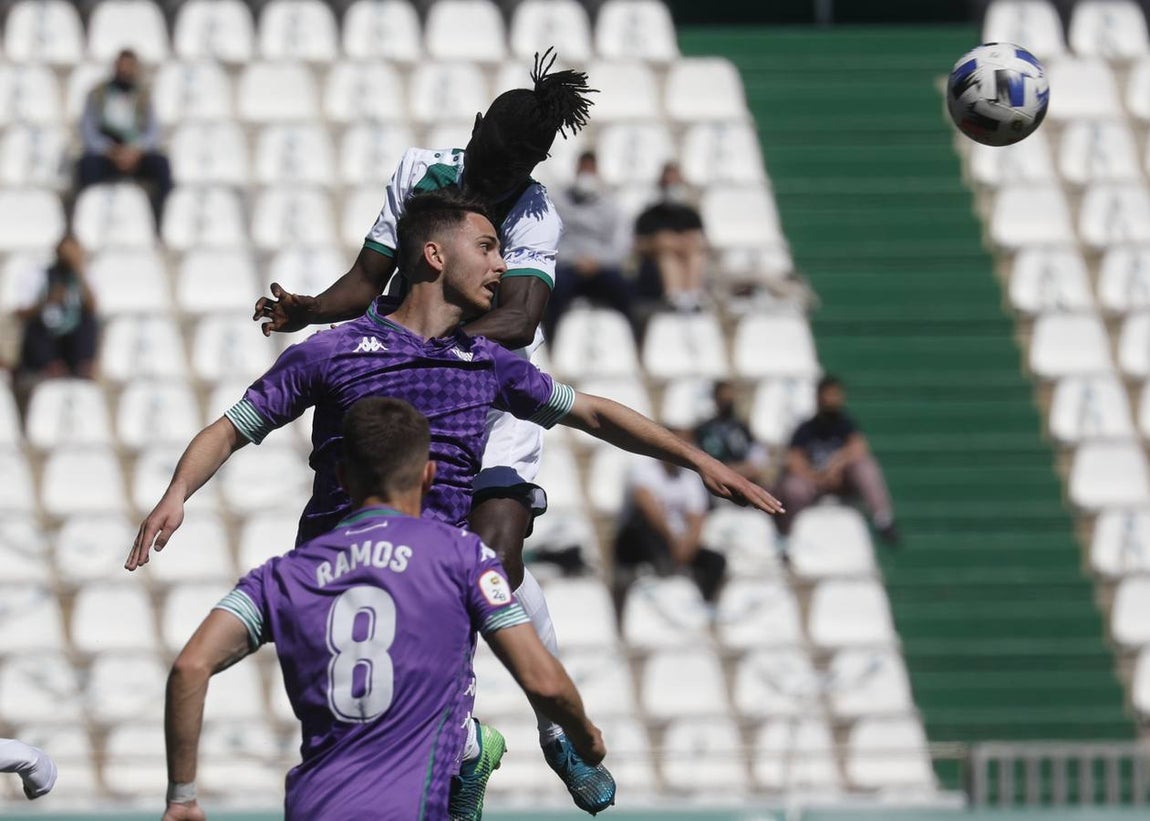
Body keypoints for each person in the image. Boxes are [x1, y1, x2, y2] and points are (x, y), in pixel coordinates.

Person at [128, 189, 783, 814]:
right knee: (357, 756)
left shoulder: (484, 361)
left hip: (430, 588)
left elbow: (594, 413)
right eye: (488, 246)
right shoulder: (332, 351)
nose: (503, 265)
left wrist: (698, 460)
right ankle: (471, 747)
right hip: (328, 578)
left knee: (399, 764)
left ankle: (469, 749)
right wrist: (176, 493)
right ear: (435, 256)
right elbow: (234, 426)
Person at [250, 50, 613, 811]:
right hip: (411, 386)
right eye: (489, 167)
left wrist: (431, 320)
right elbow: (364, 280)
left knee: (494, 563)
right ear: (473, 130)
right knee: (422, 571)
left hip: (487, 390)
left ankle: (552, 732)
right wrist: (308, 309)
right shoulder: (421, 170)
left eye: (511, 177)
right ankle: (464, 744)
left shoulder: (537, 210)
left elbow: (518, 319)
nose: (494, 187)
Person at [160, 397, 605, 821]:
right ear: (429, 476)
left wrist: (183, 796)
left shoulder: (284, 575)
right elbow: (543, 681)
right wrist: (583, 734)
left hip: (315, 807)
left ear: (342, 478)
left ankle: (468, 744)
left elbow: (189, 667)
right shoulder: (461, 559)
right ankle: (465, 744)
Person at [776, 376, 899, 545]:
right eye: (830, 395)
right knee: (792, 487)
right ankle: (786, 537)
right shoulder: (806, 429)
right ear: (819, 397)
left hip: (841, 481)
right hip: (813, 483)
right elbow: (793, 461)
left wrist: (836, 466)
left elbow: (859, 448)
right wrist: (817, 477)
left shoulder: (845, 424)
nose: (833, 400)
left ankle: (883, 519)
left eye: (836, 395)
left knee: (866, 467)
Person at [613, 429, 727, 607]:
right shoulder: (642, 469)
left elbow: (697, 518)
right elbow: (647, 507)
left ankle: (704, 606)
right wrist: (672, 540)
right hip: (645, 538)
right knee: (642, 530)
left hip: (677, 542)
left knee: (715, 561)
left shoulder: (690, 477)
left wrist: (686, 546)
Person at [544, 150, 635, 341]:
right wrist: (572, 260)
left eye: (590, 169)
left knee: (625, 290)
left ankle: (633, 340)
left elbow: (620, 247)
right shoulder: (557, 202)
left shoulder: (613, 205)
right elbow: (548, 239)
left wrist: (597, 261)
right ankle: (551, 342)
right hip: (568, 266)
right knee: (552, 291)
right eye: (582, 168)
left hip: (601, 267)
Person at [76, 49, 173, 225]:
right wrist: (109, 150)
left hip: (136, 154)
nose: (125, 70)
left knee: (161, 164)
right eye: (122, 66)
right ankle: (89, 219)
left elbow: (153, 131)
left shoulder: (144, 95)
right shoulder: (97, 94)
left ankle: (162, 219)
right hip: (106, 154)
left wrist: (136, 151)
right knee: (86, 165)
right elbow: (88, 131)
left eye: (130, 66)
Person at [14, 234, 98, 383]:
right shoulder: (38, 274)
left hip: (72, 335)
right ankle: (51, 366)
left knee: (88, 322)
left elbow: (92, 306)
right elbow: (21, 313)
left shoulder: (83, 276)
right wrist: (47, 301)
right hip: (47, 332)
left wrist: (78, 270)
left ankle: (83, 366)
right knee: (35, 327)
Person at [633, 162, 707, 312]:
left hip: (687, 259)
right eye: (667, 183)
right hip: (654, 269)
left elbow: (699, 241)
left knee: (696, 255)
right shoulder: (649, 216)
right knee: (667, 257)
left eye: (675, 182)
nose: (671, 187)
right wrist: (657, 243)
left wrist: (677, 243)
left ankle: (693, 296)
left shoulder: (691, 215)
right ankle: (675, 298)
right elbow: (638, 245)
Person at [694, 380, 768, 485]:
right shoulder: (705, 429)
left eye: (730, 399)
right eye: (723, 399)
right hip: (715, 483)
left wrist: (741, 470)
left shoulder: (741, 427)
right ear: (716, 399)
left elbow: (756, 459)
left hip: (743, 480)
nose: (727, 403)